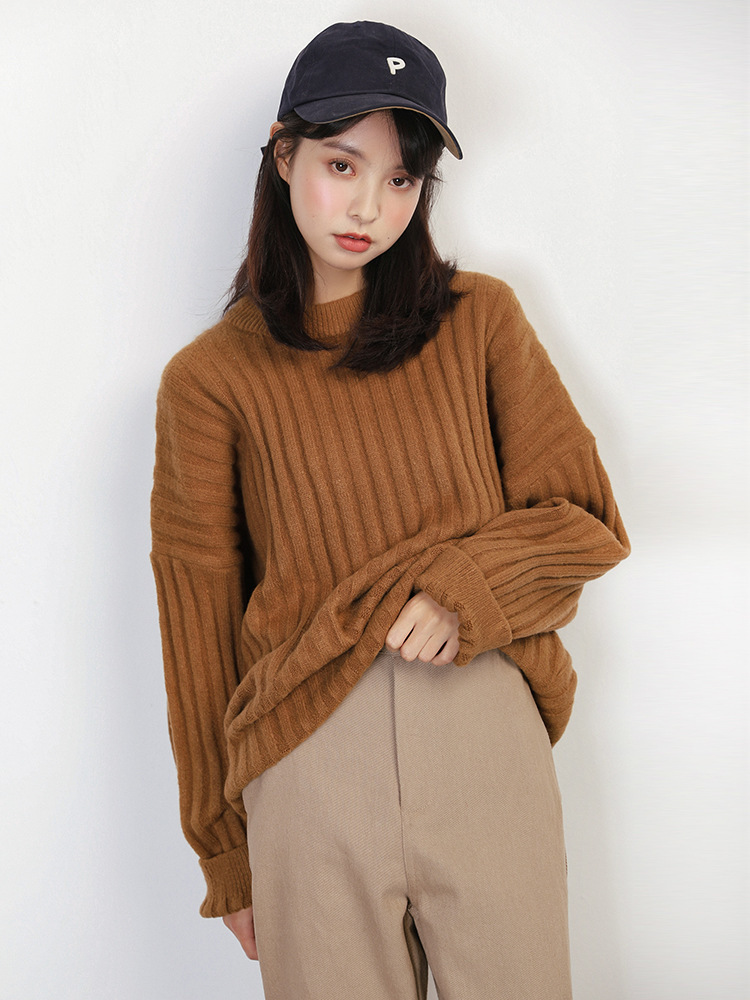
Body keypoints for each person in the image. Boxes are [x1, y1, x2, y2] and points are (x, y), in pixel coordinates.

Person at [150, 20, 630, 1000]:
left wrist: (466, 586)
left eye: (403, 178)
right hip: (306, 764)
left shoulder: (480, 321)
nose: (370, 205)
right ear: (283, 154)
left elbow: (586, 518)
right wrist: (224, 854)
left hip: (482, 727)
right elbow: (196, 627)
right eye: (342, 164)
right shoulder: (209, 381)